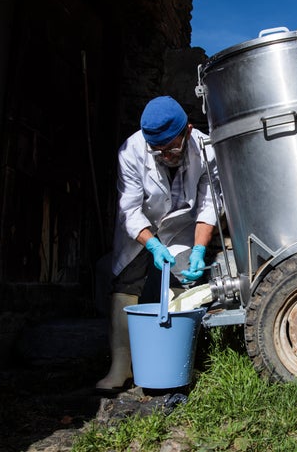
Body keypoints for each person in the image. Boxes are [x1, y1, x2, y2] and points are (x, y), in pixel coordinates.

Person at [96, 96, 220, 391]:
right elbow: (129, 209)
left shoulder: (207, 151)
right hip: (142, 228)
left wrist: (200, 248)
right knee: (126, 285)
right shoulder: (131, 151)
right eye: (158, 150)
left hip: (181, 229)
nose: (165, 155)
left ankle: (175, 364)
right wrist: (151, 243)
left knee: (180, 288)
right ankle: (120, 368)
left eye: (171, 147)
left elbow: (209, 206)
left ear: (187, 131)